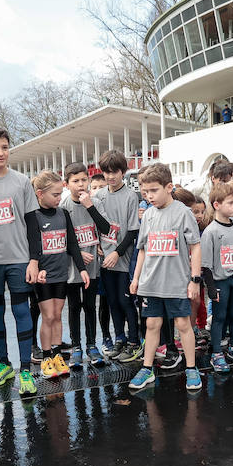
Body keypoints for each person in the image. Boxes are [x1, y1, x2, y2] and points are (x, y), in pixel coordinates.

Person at [126, 163, 204, 392]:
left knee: (182, 324)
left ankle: (191, 368)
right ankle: (147, 368)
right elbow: (142, 249)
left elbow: (196, 247)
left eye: (153, 190)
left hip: (176, 282)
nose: (149, 196)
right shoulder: (148, 214)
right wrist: (136, 278)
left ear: (168, 187)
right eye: (145, 191)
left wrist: (195, 279)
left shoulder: (183, 213)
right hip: (150, 283)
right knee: (152, 324)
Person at [27, 171, 90, 379]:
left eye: (59, 193)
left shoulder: (63, 213)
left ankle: (56, 354)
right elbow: (32, 247)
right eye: (54, 194)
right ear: (40, 194)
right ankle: (46, 357)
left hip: (61, 272)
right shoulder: (33, 216)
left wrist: (81, 269)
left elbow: (72, 243)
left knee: (58, 313)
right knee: (48, 315)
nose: (58, 198)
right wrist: (37, 268)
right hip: (44, 275)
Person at [60, 162, 112, 369]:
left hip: (93, 265)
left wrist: (90, 206)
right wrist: (78, 254)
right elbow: (59, 239)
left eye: (83, 180)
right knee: (74, 307)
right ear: (67, 184)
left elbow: (106, 228)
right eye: (75, 181)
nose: (80, 184)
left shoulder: (94, 202)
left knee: (90, 306)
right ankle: (76, 347)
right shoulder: (64, 206)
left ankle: (92, 345)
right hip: (73, 266)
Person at [93, 150, 143, 363]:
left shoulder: (131, 196)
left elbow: (132, 231)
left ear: (123, 172)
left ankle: (134, 342)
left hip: (122, 259)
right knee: (112, 301)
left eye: (115, 172)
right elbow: (96, 224)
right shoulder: (99, 196)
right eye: (106, 172)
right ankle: (119, 338)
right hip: (105, 259)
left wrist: (117, 252)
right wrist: (98, 245)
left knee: (126, 302)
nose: (110, 176)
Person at [200, 183, 233, 372]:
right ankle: (216, 352)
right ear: (217, 205)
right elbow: (205, 264)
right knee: (219, 317)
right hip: (220, 281)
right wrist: (211, 287)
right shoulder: (211, 232)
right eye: (231, 203)